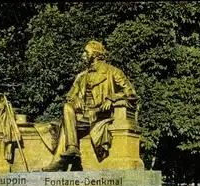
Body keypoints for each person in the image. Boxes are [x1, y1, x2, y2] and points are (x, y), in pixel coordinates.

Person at [42, 40, 139, 171]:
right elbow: (70, 95)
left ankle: (62, 161)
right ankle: (72, 148)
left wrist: (113, 98)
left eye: (86, 52)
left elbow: (131, 93)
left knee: (65, 126)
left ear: (95, 54)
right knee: (67, 108)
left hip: (101, 115)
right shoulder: (81, 76)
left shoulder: (113, 72)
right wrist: (75, 99)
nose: (83, 55)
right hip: (83, 116)